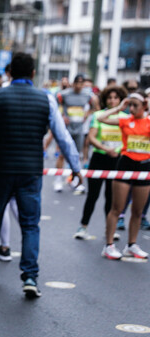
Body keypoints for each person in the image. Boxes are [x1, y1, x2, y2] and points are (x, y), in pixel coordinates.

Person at [0, 52, 82, 298]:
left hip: (1, 169)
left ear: (9, 73)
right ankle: (30, 276)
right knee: (30, 225)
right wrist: (76, 167)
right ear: (33, 73)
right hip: (31, 171)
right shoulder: (47, 99)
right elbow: (63, 137)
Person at [99, 91, 150, 260]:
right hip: (126, 165)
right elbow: (101, 118)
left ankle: (132, 245)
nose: (132, 108)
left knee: (138, 210)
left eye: (136, 105)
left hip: (144, 167)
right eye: (130, 105)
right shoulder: (125, 120)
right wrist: (119, 107)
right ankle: (108, 245)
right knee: (117, 208)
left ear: (144, 106)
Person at [74, 85, 128, 240]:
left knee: (111, 197)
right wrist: (105, 148)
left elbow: (128, 139)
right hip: (99, 159)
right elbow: (91, 137)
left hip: (117, 160)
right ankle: (83, 227)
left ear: (120, 100)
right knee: (93, 195)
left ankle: (109, 229)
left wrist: (117, 150)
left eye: (115, 98)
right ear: (105, 99)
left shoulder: (125, 117)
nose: (112, 100)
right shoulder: (98, 115)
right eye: (109, 98)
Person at [53, 74, 97, 193]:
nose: (78, 86)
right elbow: (54, 105)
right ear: (73, 83)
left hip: (79, 129)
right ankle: (58, 179)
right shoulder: (65, 94)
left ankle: (74, 180)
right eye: (77, 83)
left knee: (77, 156)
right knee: (62, 154)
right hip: (66, 129)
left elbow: (94, 106)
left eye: (81, 83)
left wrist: (86, 115)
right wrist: (61, 116)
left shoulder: (87, 95)